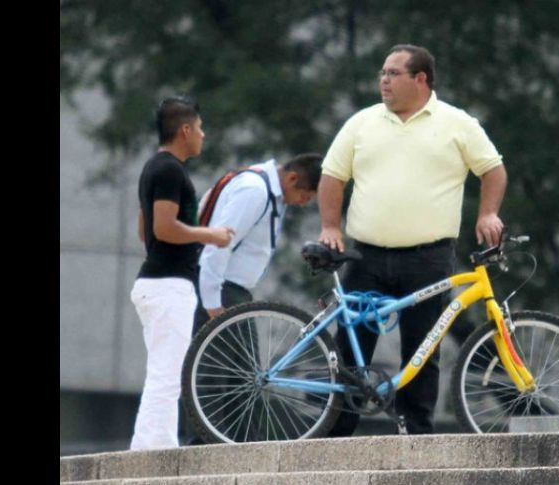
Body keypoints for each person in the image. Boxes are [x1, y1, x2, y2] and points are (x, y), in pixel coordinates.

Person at [318, 44, 508, 435]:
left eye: (392, 73)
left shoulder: (457, 123)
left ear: (420, 79)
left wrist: (488, 213)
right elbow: (332, 177)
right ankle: (335, 434)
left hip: (428, 257)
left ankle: (416, 434)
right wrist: (330, 227)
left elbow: (493, 170)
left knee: (424, 348)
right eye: (382, 73)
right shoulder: (361, 123)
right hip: (364, 257)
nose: (383, 80)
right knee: (350, 349)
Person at [130, 96, 234, 451]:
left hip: (156, 283)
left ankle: (148, 445)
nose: (203, 135)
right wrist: (210, 235)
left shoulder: (153, 168)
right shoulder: (170, 170)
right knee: (167, 374)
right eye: (200, 128)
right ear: (185, 130)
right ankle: (154, 451)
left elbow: (146, 231)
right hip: (167, 285)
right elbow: (163, 228)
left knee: (163, 371)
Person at [194, 153, 323, 328]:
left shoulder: (270, 191)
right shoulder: (255, 191)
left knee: (247, 356)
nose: (302, 203)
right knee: (217, 355)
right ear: (293, 178)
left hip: (235, 295)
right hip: (221, 292)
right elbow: (219, 244)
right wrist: (212, 305)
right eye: (305, 196)